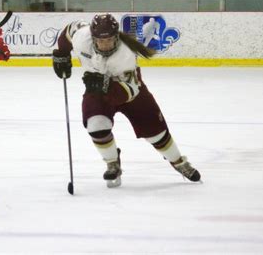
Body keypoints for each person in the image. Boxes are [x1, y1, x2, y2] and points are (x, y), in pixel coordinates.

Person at [52, 14, 201, 188]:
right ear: (92, 38)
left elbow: (128, 92)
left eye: (109, 40)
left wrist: (105, 85)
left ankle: (179, 162)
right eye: (101, 41)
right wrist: (61, 55)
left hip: (129, 91)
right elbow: (69, 31)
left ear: (116, 37)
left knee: (156, 133)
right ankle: (112, 162)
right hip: (96, 86)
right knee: (96, 124)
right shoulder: (82, 37)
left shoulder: (125, 54)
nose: (105, 44)